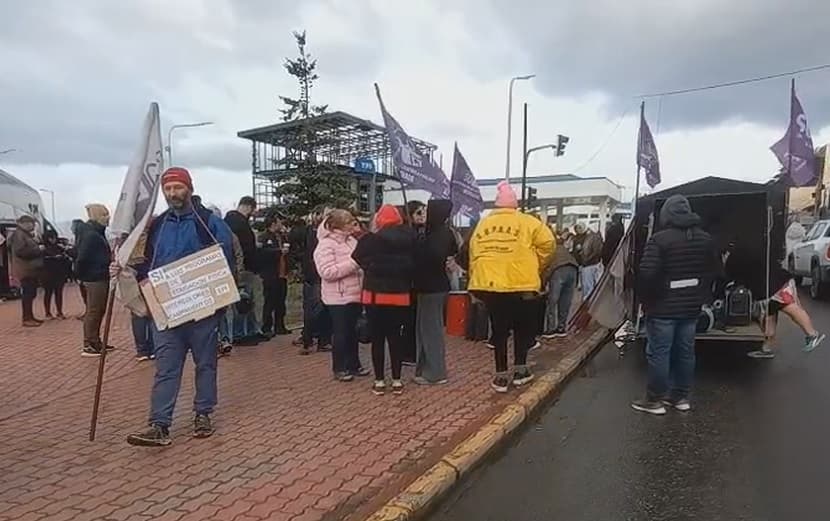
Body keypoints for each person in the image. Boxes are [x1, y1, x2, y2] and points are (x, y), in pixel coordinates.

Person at [123, 167, 234, 446]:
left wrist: (221, 302)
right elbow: (146, 263)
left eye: (178, 188)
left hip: (203, 312)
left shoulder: (208, 222)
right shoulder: (158, 225)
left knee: (205, 364)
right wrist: (125, 269)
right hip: (168, 312)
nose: (173, 193)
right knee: (166, 368)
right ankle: (159, 424)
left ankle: (203, 414)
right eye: (168, 189)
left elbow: (226, 262)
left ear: (189, 188)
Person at [632, 194, 718, 415]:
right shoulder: (705, 239)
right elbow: (713, 271)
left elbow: (647, 274)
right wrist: (700, 295)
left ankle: (655, 400)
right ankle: (680, 398)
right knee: (686, 353)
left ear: (666, 214)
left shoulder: (659, 240)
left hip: (662, 307)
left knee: (660, 352)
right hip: (691, 308)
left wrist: (647, 299)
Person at [468, 181, 555, 392]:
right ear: (515, 205)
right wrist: (536, 264)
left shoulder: (483, 224)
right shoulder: (528, 222)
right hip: (522, 284)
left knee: (499, 330)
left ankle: (500, 376)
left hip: (491, 285)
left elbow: (473, 252)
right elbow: (549, 244)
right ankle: (520, 371)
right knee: (522, 329)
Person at [353, 204, 417, 395]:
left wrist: (370, 267)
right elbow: (416, 263)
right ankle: (397, 380)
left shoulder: (370, 239)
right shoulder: (411, 238)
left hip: (374, 295)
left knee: (378, 339)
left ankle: (379, 381)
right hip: (400, 295)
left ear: (379, 220)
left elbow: (356, 257)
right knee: (396, 337)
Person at [723, 245, 825, 358]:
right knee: (769, 315)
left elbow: (732, 277)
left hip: (776, 284)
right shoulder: (744, 251)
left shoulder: (733, 259)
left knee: (789, 307)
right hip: (772, 285)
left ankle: (812, 334)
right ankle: (767, 348)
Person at [314, 209, 368, 381]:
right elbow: (327, 271)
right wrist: (354, 264)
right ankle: (340, 367)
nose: (353, 224)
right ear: (337, 226)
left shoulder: (351, 241)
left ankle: (354, 365)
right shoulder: (325, 245)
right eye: (348, 222)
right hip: (338, 297)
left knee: (353, 331)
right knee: (341, 332)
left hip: (355, 294)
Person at [413, 199, 457, 385]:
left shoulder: (433, 236)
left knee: (430, 330)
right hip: (437, 285)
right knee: (425, 329)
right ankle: (424, 368)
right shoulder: (446, 233)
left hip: (429, 287)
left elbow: (428, 258)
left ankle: (436, 372)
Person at [224, 196, 267, 341]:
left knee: (245, 301)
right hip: (245, 268)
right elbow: (244, 248)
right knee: (244, 301)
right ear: (248, 207)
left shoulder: (228, 222)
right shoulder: (240, 224)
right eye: (253, 210)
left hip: (239, 266)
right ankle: (241, 333)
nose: (253, 214)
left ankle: (246, 332)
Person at [75, 204, 112, 356]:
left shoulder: (95, 233)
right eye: (104, 215)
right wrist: (80, 276)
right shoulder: (91, 235)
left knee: (98, 310)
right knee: (94, 311)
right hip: (94, 277)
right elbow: (82, 257)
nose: (108, 218)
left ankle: (95, 341)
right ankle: (89, 344)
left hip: (97, 276)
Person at [294, 207, 332, 354]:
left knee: (320, 309)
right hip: (315, 275)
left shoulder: (317, 232)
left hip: (318, 274)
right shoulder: (312, 233)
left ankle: (320, 340)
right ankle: (309, 339)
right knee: (315, 309)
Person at [402, 200, 427, 366]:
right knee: (409, 318)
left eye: (424, 212)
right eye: (419, 213)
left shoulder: (423, 232)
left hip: (419, 281)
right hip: (408, 282)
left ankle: (414, 350)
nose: (423, 216)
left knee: (417, 318)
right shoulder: (407, 234)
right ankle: (407, 352)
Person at [8, 215, 44, 327]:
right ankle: (27, 318)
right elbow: (21, 251)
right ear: (23, 223)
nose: (33, 226)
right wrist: (37, 249)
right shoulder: (19, 235)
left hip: (30, 269)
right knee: (28, 294)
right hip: (25, 269)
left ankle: (30, 316)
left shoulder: (25, 235)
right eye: (31, 223)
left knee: (31, 293)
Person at [543, 229, 579, 338]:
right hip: (573, 269)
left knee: (552, 301)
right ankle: (561, 328)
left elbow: (546, 268)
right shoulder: (562, 247)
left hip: (559, 271)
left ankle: (550, 330)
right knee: (565, 301)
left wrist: (542, 283)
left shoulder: (548, 248)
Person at [259, 215, 291, 337]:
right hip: (270, 274)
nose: (280, 224)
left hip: (282, 273)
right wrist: (278, 251)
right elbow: (262, 253)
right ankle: (266, 327)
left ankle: (280, 326)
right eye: (278, 222)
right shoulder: (264, 237)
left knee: (281, 301)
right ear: (273, 223)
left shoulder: (282, 236)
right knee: (269, 301)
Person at [41, 230, 70, 319]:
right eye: (51, 238)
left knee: (58, 293)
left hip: (59, 274)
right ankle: (48, 312)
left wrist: (63, 256)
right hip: (48, 274)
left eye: (54, 237)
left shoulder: (59, 247)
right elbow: (42, 261)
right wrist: (53, 258)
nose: (53, 240)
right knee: (48, 293)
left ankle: (59, 312)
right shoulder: (43, 248)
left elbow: (66, 257)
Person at [572, 223, 604, 299]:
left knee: (588, 286)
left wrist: (585, 259)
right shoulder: (590, 237)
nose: (578, 230)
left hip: (588, 265)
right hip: (590, 264)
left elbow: (595, 251)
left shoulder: (590, 237)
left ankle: (588, 302)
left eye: (580, 228)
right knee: (589, 285)